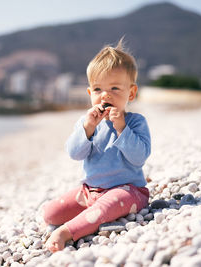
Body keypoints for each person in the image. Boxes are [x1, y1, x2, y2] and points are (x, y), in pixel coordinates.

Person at [43, 38, 151, 253]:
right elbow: (74, 153)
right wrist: (88, 128)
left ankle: (67, 232)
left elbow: (139, 158)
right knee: (50, 213)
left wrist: (121, 128)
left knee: (108, 205)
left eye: (114, 88)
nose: (105, 95)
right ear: (90, 93)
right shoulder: (88, 123)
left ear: (131, 93)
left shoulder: (135, 122)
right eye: (98, 88)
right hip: (90, 190)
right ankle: (85, 216)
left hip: (128, 191)